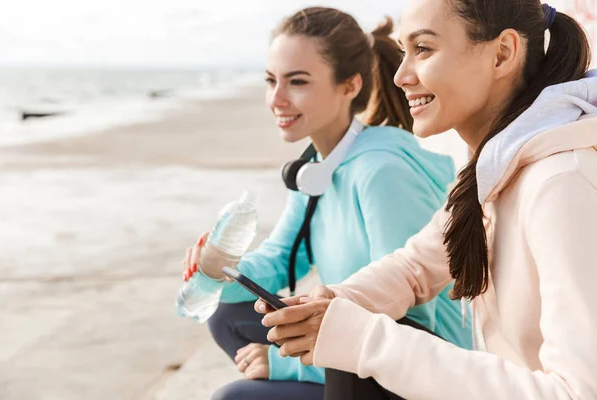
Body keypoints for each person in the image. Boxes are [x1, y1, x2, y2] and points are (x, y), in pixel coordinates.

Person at [259, 0, 597, 399]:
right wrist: (335, 299)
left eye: (423, 49)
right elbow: (415, 267)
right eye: (404, 52)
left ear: (502, 54)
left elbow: (578, 393)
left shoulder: (561, 183)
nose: (401, 76)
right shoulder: (491, 171)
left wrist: (363, 340)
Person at [182, 6, 473, 400]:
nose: (277, 99)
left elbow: (410, 323)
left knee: (232, 398)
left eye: (297, 82)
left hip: (417, 374)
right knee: (226, 314)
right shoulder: (314, 167)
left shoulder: (383, 173)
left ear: (350, 86)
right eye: (272, 81)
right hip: (348, 339)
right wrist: (216, 270)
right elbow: (279, 260)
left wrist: (287, 363)